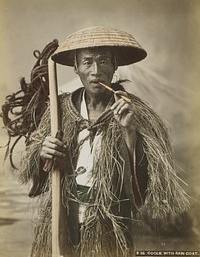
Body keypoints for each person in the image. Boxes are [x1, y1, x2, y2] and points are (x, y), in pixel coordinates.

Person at [18, 26, 189, 257]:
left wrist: (129, 131)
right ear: (76, 67)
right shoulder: (60, 110)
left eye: (104, 61)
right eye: (87, 62)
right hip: (60, 218)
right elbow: (32, 165)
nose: (96, 70)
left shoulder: (135, 112)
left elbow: (144, 186)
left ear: (115, 66)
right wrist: (42, 153)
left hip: (108, 225)